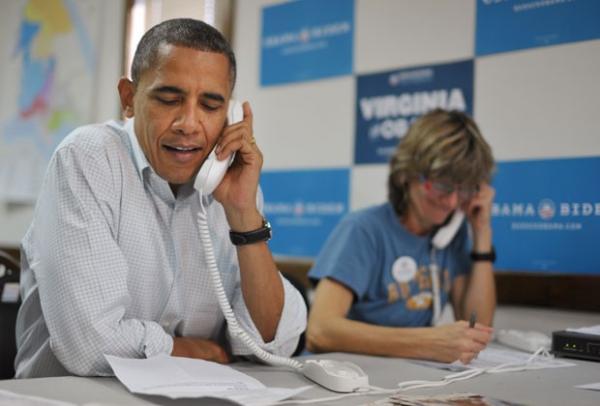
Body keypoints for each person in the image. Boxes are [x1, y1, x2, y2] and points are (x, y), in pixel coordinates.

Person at [15, 18, 306, 378]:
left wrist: (244, 213)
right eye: (169, 99)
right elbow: (87, 346)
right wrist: (184, 350)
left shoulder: (230, 184)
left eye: (211, 106)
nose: (188, 123)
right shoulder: (88, 158)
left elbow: (273, 343)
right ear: (128, 99)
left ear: (229, 115)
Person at [306, 109, 496, 364]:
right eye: (441, 185)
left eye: (462, 189)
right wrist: (429, 342)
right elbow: (320, 331)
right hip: (350, 377)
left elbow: (478, 331)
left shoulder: (451, 233)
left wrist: (481, 231)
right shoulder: (364, 229)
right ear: (408, 174)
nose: (451, 201)